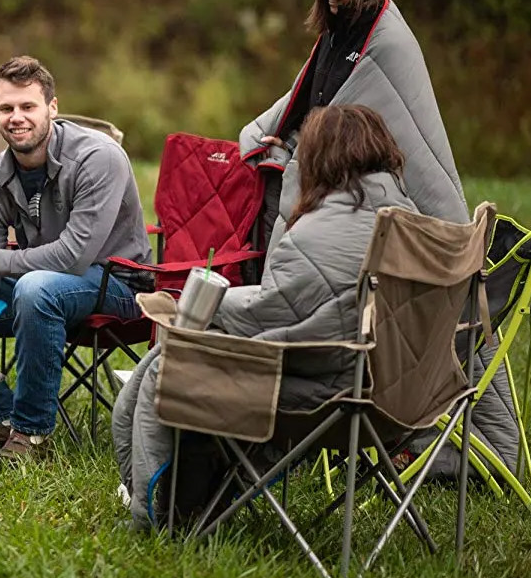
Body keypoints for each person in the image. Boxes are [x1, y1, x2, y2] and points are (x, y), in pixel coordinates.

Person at [114, 105, 417, 530]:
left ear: (320, 158)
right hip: (403, 392)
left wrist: (198, 306)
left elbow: (265, 313)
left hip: (332, 393)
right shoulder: (412, 222)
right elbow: (299, 301)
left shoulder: (318, 233)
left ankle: (157, 514)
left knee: (171, 366)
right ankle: (194, 500)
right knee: (181, 355)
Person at [0, 56, 153, 459]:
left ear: (52, 108)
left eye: (27, 106)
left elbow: (73, 256)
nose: (16, 118)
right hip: (39, 281)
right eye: (6, 108)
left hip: (117, 283)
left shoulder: (98, 157)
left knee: (37, 289)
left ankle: (32, 432)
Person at [240, 0, 467, 255]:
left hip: (357, 183)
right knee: (266, 177)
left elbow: (398, 134)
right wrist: (286, 137)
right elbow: (317, 99)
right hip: (324, 163)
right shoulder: (338, 27)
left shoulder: (388, 43)